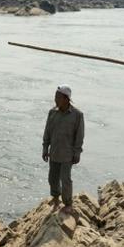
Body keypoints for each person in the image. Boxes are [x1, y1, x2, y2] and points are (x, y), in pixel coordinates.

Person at [43, 84, 85, 215]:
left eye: (58, 97)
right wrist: (45, 147)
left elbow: (79, 135)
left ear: (66, 99)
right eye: (55, 97)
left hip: (67, 154)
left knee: (65, 179)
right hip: (54, 152)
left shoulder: (77, 115)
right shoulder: (52, 113)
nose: (55, 100)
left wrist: (77, 152)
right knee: (52, 178)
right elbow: (47, 132)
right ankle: (56, 199)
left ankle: (68, 203)